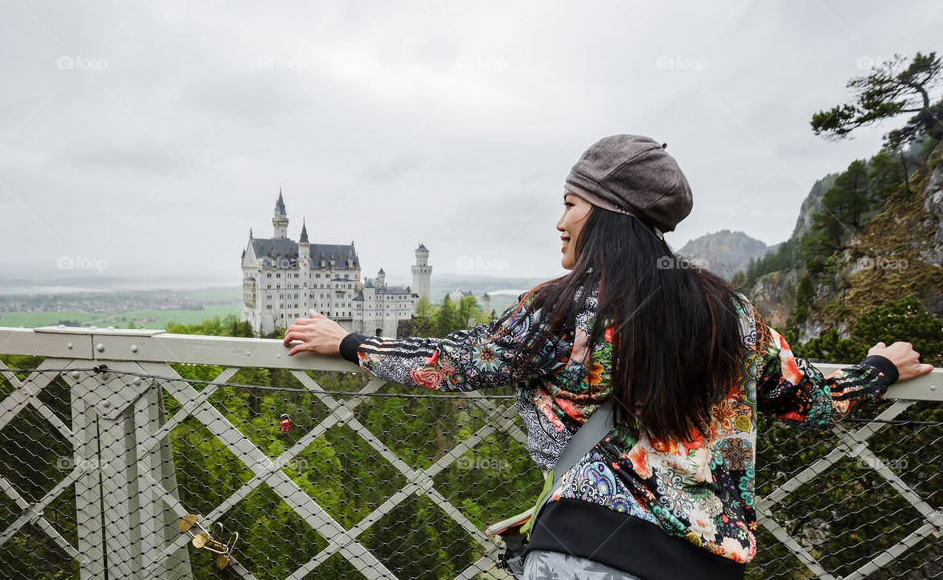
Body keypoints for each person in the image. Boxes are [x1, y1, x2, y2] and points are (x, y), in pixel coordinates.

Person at [283, 134, 934, 580]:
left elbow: (456, 361)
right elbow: (813, 400)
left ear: (607, 211)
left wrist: (348, 342)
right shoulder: (727, 312)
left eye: (569, 203)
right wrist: (880, 368)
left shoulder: (565, 307)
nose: (559, 221)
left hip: (581, 557)